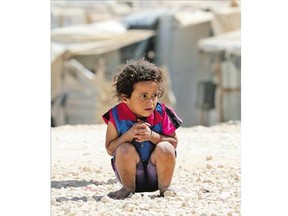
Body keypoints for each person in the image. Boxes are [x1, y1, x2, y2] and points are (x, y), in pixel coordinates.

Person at [102, 58, 182, 199]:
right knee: (124, 149)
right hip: (130, 177)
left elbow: (174, 143)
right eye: (143, 96)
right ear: (125, 98)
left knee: (166, 147)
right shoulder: (116, 115)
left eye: (154, 95)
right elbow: (110, 149)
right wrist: (128, 135)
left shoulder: (162, 113)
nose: (150, 102)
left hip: (157, 176)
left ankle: (165, 189)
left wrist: (152, 136)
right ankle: (127, 189)